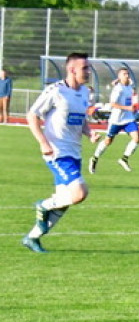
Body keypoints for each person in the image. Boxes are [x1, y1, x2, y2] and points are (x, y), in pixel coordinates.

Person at [22, 53, 94, 253]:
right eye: (85, 68)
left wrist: (89, 133)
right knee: (79, 193)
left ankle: (32, 238)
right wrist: (43, 143)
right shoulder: (55, 91)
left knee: (64, 203)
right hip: (57, 152)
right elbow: (32, 115)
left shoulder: (85, 93)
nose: (88, 72)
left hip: (75, 153)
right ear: (72, 70)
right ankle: (43, 205)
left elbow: (81, 119)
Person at [89, 67, 139, 174]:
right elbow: (112, 103)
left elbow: (133, 90)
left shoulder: (129, 86)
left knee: (137, 138)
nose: (127, 76)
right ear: (119, 76)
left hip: (128, 118)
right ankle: (94, 158)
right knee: (108, 141)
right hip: (116, 119)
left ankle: (124, 159)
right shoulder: (118, 89)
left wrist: (133, 106)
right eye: (124, 74)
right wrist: (128, 108)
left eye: (127, 74)